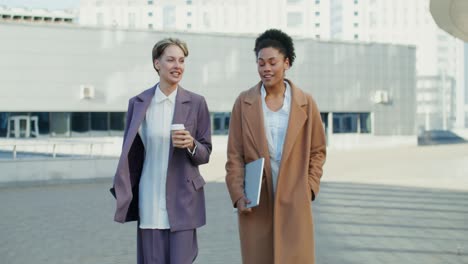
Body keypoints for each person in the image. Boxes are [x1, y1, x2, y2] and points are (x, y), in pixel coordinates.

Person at [225, 29, 326, 263]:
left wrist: (310, 187)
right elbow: (235, 155)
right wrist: (238, 194)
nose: (266, 68)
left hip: (295, 198)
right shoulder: (244, 102)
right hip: (256, 199)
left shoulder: (306, 103)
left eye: (272, 62)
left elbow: (317, 150)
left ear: (287, 63)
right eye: (261, 63)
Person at [111, 38, 212, 264]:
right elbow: (131, 153)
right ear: (157, 63)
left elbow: (205, 153)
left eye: (182, 61)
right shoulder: (139, 103)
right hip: (149, 197)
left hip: (183, 200)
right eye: (171, 60)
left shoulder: (196, 103)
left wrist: (191, 143)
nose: (178, 66)